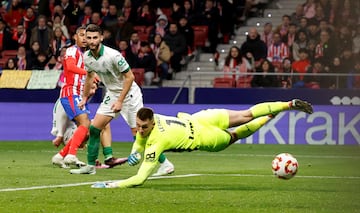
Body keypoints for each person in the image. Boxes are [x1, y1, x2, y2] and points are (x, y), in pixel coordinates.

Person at [91, 99, 313, 188]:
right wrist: (134, 152)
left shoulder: (156, 142)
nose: (140, 130)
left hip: (204, 138)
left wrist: (112, 184)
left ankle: (269, 117)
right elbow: (140, 140)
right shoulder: (152, 119)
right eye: (138, 126)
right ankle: (287, 104)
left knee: (236, 135)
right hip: (202, 118)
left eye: (143, 127)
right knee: (245, 114)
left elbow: (139, 179)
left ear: (150, 123)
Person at [70, 24, 174, 176]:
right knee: (94, 129)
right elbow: (90, 77)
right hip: (112, 94)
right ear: (85, 38)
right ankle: (90, 166)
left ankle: (165, 163)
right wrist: (85, 98)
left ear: (101, 38)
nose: (92, 41)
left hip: (130, 95)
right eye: (89, 38)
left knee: (139, 133)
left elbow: (130, 77)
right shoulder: (87, 57)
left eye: (95, 37)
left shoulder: (113, 55)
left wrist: (120, 101)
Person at [52, 26, 124, 168]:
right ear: (75, 37)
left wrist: (93, 84)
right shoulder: (72, 50)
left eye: (87, 36)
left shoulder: (87, 56)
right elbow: (71, 67)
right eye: (81, 35)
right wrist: (89, 72)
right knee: (85, 124)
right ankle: (71, 155)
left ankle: (61, 156)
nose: (85, 39)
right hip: (70, 92)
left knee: (89, 129)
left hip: (79, 95)